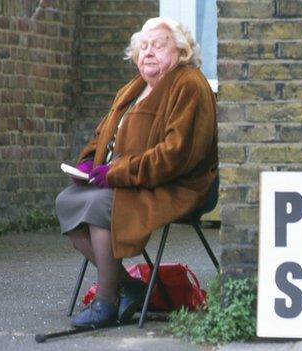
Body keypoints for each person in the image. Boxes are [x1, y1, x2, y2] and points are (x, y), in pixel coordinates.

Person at [55, 17, 218, 327]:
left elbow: (176, 154)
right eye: (143, 46)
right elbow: (102, 135)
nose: (149, 52)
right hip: (129, 180)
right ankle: (130, 287)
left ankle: (106, 302)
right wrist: (89, 163)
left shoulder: (189, 84)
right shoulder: (134, 87)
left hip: (175, 185)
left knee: (99, 205)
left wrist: (114, 172)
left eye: (159, 45)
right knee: (67, 201)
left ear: (181, 51)